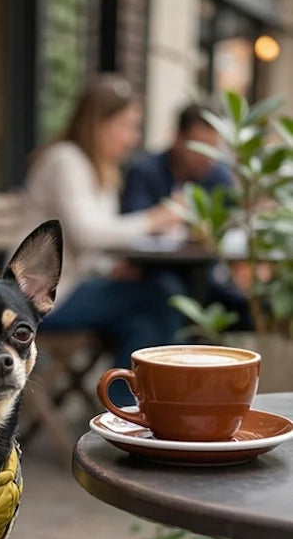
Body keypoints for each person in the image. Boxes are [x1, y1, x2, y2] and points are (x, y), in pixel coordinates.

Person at [18, 74, 183, 405]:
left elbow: (92, 240)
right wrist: (153, 220)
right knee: (163, 294)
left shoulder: (98, 168)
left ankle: (129, 408)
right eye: (127, 126)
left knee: (141, 324)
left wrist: (110, 268)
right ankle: (150, 404)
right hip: (40, 298)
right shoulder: (65, 159)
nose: (133, 138)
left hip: (73, 285)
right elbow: (88, 233)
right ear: (99, 123)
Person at [121, 102, 253, 330]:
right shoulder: (145, 171)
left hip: (207, 274)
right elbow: (133, 227)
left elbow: (234, 225)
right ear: (178, 139)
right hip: (155, 273)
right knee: (169, 297)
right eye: (199, 146)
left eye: (213, 147)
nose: (206, 157)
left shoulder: (219, 177)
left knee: (244, 307)